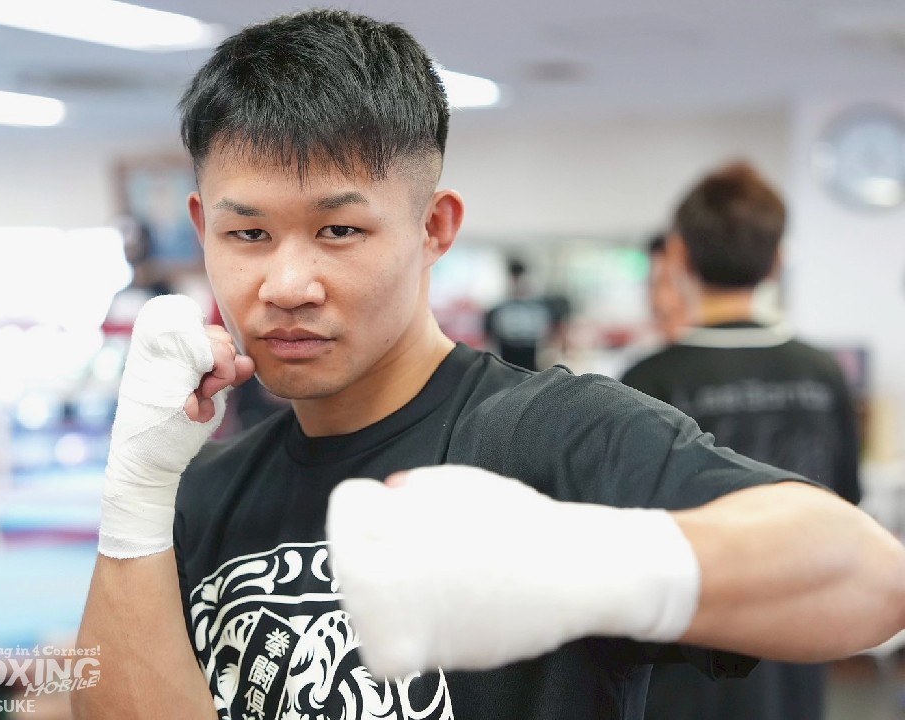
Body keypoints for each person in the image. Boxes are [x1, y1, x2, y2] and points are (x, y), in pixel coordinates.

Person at [71, 11, 904, 720]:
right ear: (202, 228)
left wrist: (588, 563)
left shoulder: (553, 437)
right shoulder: (203, 495)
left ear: (434, 228)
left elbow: (870, 580)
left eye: (340, 230)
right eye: (247, 233)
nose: (286, 285)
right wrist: (134, 496)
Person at [621, 161, 863, 720]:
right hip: (795, 643)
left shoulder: (648, 381)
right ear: (777, 261)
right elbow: (846, 506)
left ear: (679, 256)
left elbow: (628, 531)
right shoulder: (823, 374)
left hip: (686, 654)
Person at [482, 256, 570, 370]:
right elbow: (490, 338)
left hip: (531, 359)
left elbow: (549, 335)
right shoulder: (500, 310)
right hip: (507, 359)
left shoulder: (539, 309)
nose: (518, 284)